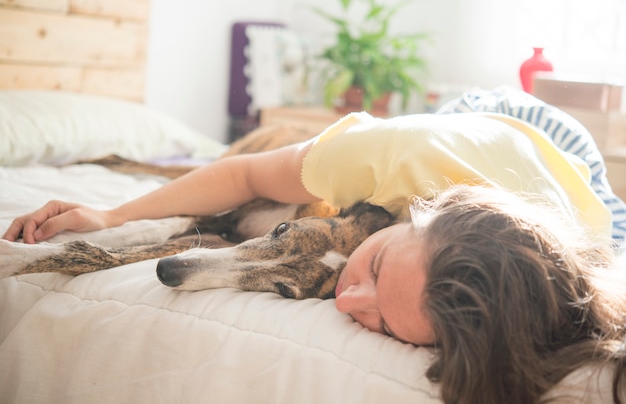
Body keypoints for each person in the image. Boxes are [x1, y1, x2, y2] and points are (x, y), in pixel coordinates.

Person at [3, 89, 626, 402]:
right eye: (376, 267)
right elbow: (246, 176)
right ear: (419, 213)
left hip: (579, 189)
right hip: (504, 118)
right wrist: (111, 213)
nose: (348, 300)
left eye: (382, 321)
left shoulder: (582, 255)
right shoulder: (393, 156)